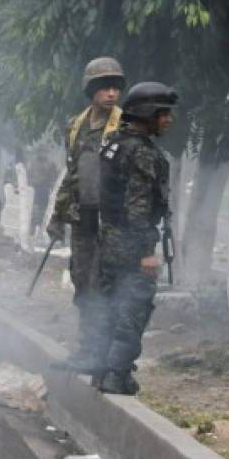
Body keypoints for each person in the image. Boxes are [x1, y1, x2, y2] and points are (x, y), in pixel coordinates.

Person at [93, 82, 176, 394]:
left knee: (110, 305)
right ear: (147, 113)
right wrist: (146, 251)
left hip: (110, 238)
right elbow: (138, 204)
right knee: (134, 308)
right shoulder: (142, 152)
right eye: (163, 113)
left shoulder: (115, 143)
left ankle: (103, 372)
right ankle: (117, 374)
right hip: (131, 243)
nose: (168, 120)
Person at [46, 57, 126, 371]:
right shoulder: (76, 126)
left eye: (115, 86)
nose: (111, 93)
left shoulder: (125, 126)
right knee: (83, 281)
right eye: (104, 86)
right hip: (83, 219)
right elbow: (71, 175)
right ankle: (87, 348)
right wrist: (57, 217)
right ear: (91, 89)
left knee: (106, 285)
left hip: (112, 221)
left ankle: (103, 353)